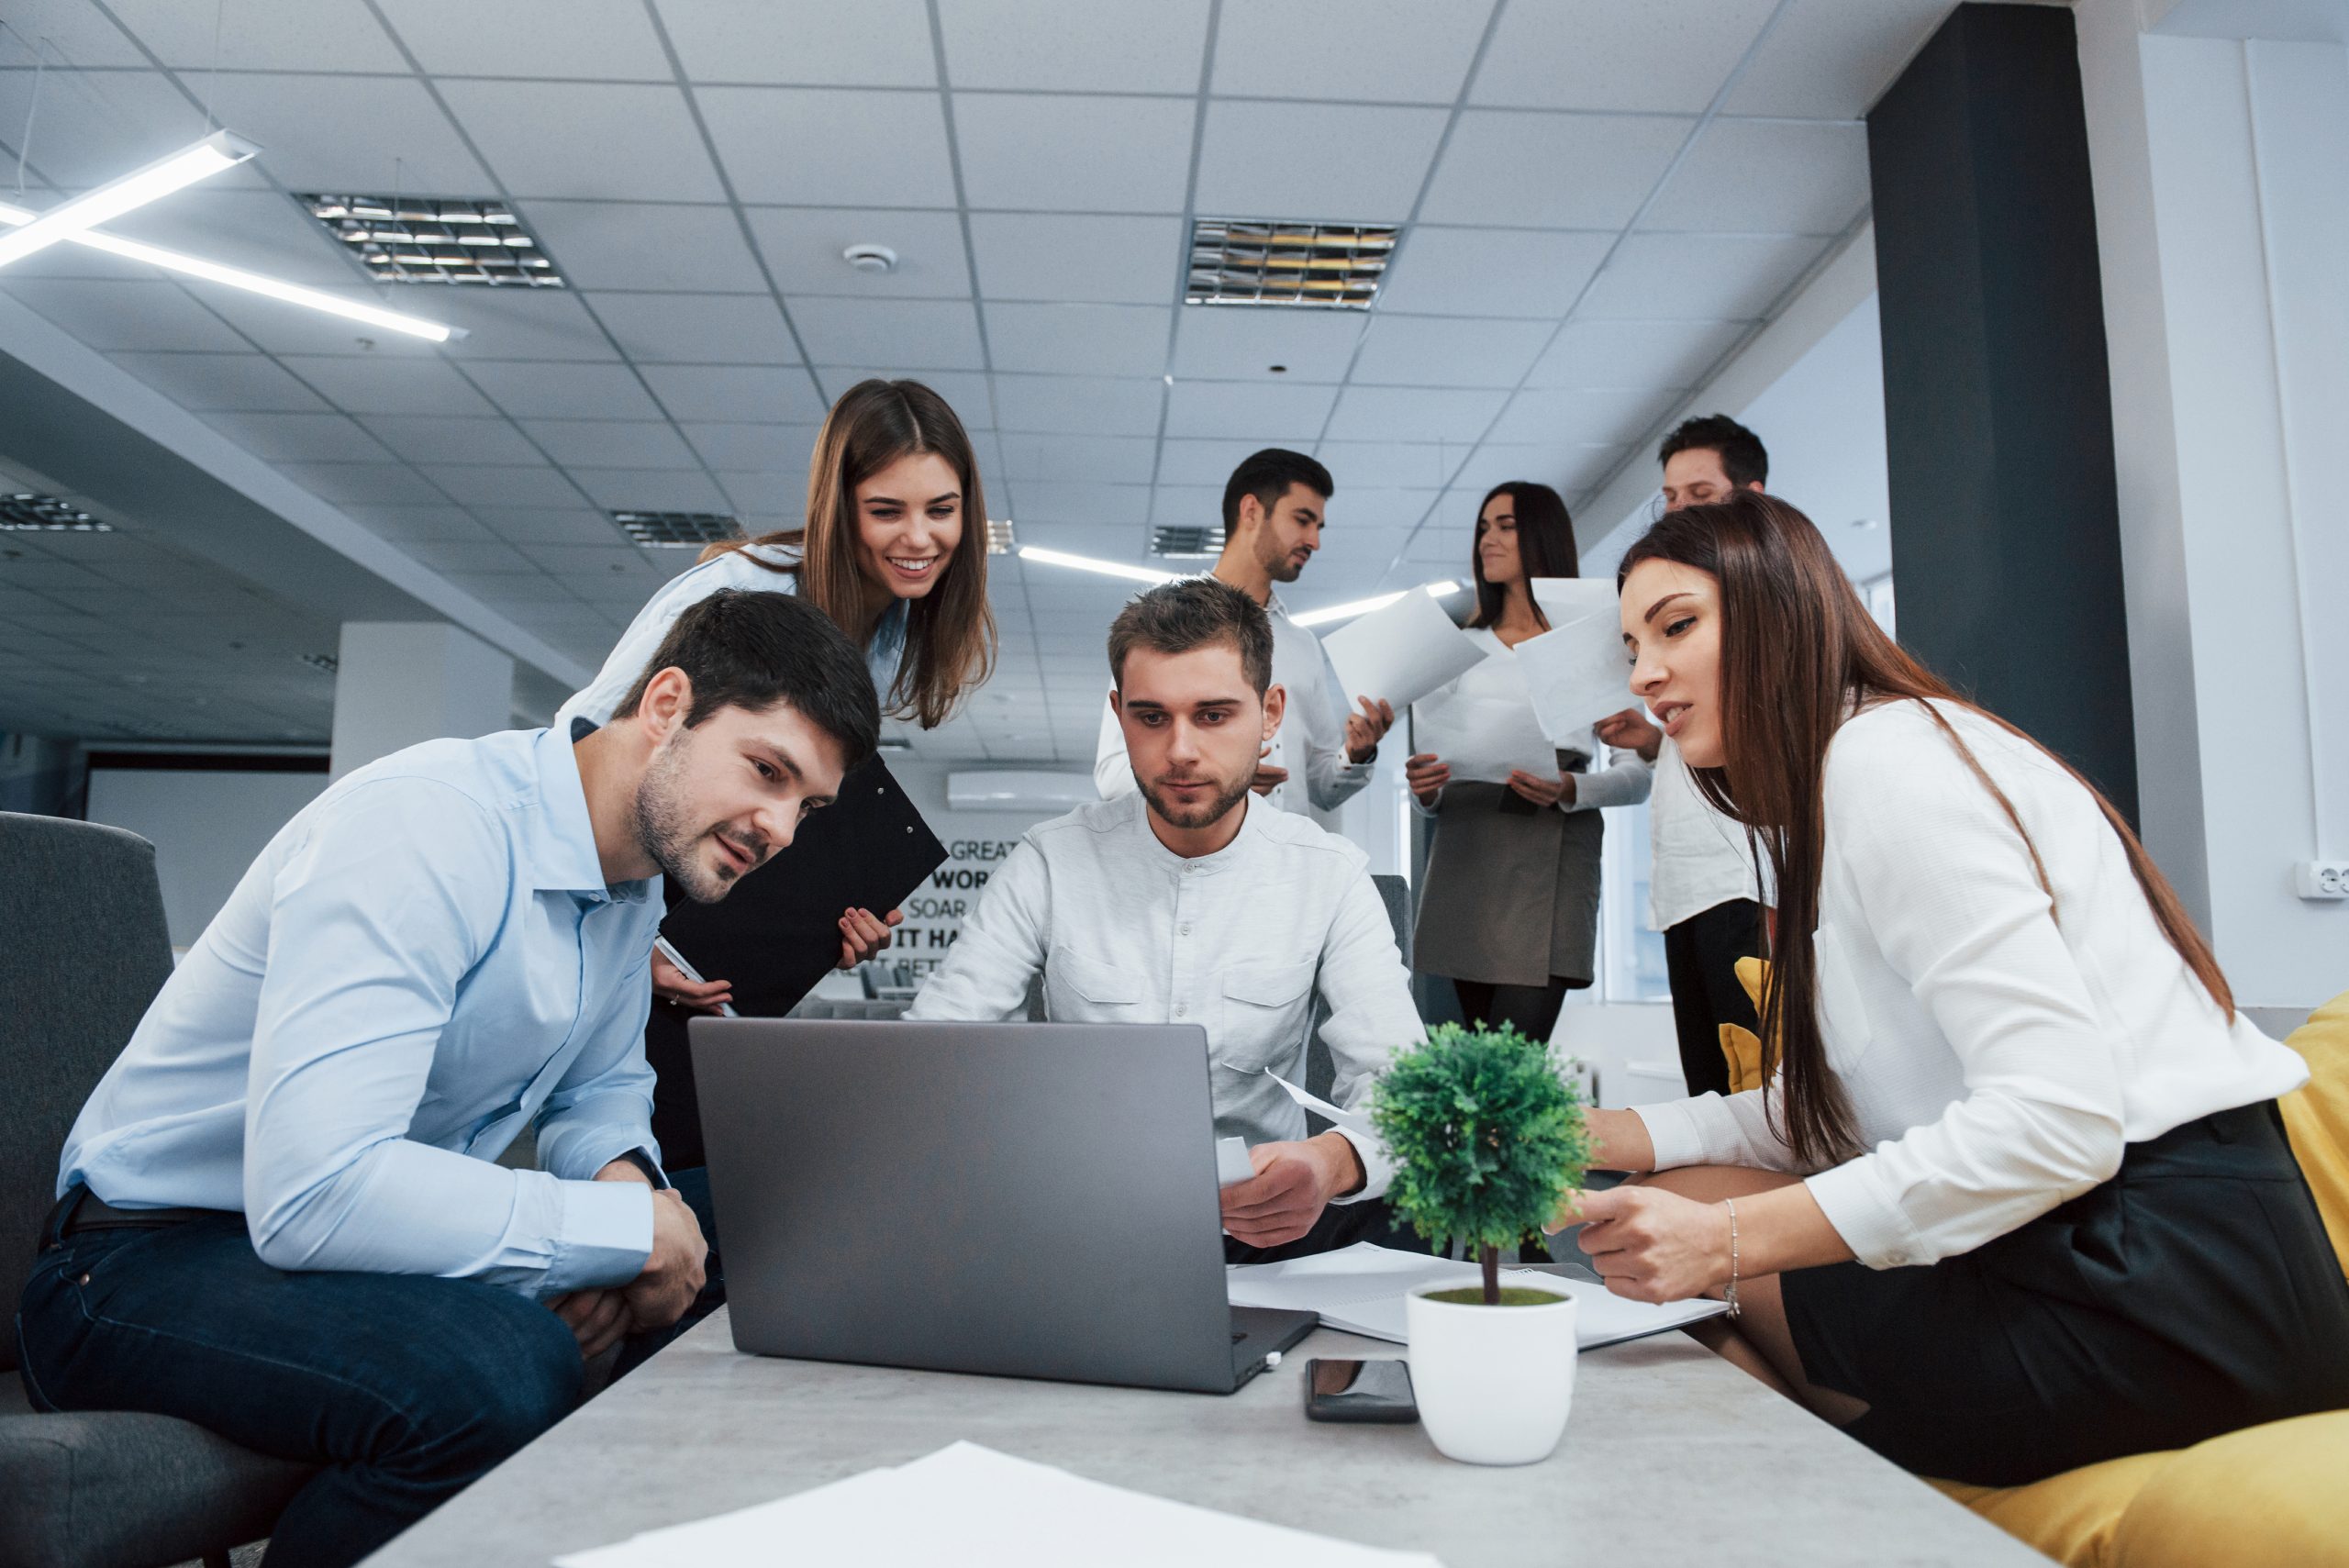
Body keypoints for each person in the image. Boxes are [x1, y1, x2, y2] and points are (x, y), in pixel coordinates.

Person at [17, 590, 882, 1568]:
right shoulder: (429, 825)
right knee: (502, 1367)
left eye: (806, 806)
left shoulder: (635, 877)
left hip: (348, 1246)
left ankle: (590, 1526)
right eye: (766, 772)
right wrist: (611, 1235)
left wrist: (626, 1207)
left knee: (763, 1222)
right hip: (140, 1259)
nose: (779, 827)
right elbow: (315, 1192)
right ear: (667, 702)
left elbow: (597, 1089)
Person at [1566, 490, 2349, 1486]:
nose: (1644, 675)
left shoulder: (1889, 763)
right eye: (1633, 644)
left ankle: (1835, 1504)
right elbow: (1849, 1105)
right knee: (1670, 1208)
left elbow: (2060, 1122)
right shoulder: (1852, 773)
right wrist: (1609, 1133)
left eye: (1676, 626)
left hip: (2166, 1289)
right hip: (2092, 1243)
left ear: (1781, 609)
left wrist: (1721, 1238)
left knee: (1679, 1284)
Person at [917, 576, 1422, 1260]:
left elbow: (1406, 1090)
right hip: (1073, 1226)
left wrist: (1333, 1162)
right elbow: (935, 1052)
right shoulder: (1049, 861)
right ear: (1118, 712)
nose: (1180, 750)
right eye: (1152, 717)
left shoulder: (1330, 875)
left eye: (1213, 715)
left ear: (1271, 713)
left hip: (1263, 1232)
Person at [557, 377, 996, 1163]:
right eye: (886, 510)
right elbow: (589, 747)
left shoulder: (889, 626)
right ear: (841, 506)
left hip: (699, 976)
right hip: (619, 942)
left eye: (941, 509)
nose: (920, 537)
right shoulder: (737, 591)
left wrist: (826, 909)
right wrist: (636, 939)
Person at [1404, 483, 1651, 1041]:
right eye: (1484, 527)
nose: (1488, 539)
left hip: (1553, 840)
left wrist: (1570, 788)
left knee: (1517, 1060)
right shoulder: (1457, 650)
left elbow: (1637, 777)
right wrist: (1426, 791)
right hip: (1468, 847)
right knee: (1475, 1059)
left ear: (1541, 536)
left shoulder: (1593, 642)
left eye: (1506, 526)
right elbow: (1433, 774)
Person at [1592, 414, 1772, 1097]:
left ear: (1752, 495)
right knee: (1712, 1085)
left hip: (1749, 884)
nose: (1678, 512)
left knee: (1757, 1090)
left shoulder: (1770, 618)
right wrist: (1652, 740)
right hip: (1685, 889)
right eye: (1669, 498)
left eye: (1699, 494)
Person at [1094, 448, 1393, 827]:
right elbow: (1112, 777)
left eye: (1318, 526)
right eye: (1303, 520)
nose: (1314, 540)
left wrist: (1356, 753)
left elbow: (1319, 787)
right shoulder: (1161, 623)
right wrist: (1221, 778)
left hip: (1283, 862)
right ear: (1251, 511)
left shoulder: (1303, 646)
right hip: (1192, 860)